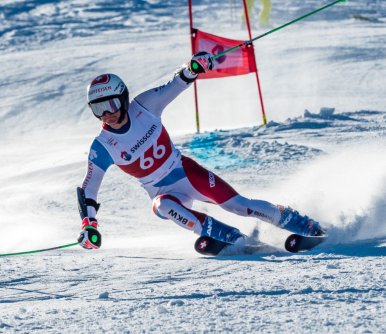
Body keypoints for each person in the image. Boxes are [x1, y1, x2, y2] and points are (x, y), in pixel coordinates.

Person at [77, 52, 324, 256]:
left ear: (123, 98)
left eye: (110, 105)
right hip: (164, 194)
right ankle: (230, 237)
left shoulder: (145, 105)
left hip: (185, 172)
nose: (106, 114)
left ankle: (305, 225)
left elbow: (176, 84)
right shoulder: (103, 145)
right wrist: (89, 224)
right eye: (98, 109)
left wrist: (193, 67)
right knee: (162, 206)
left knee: (239, 205)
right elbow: (89, 189)